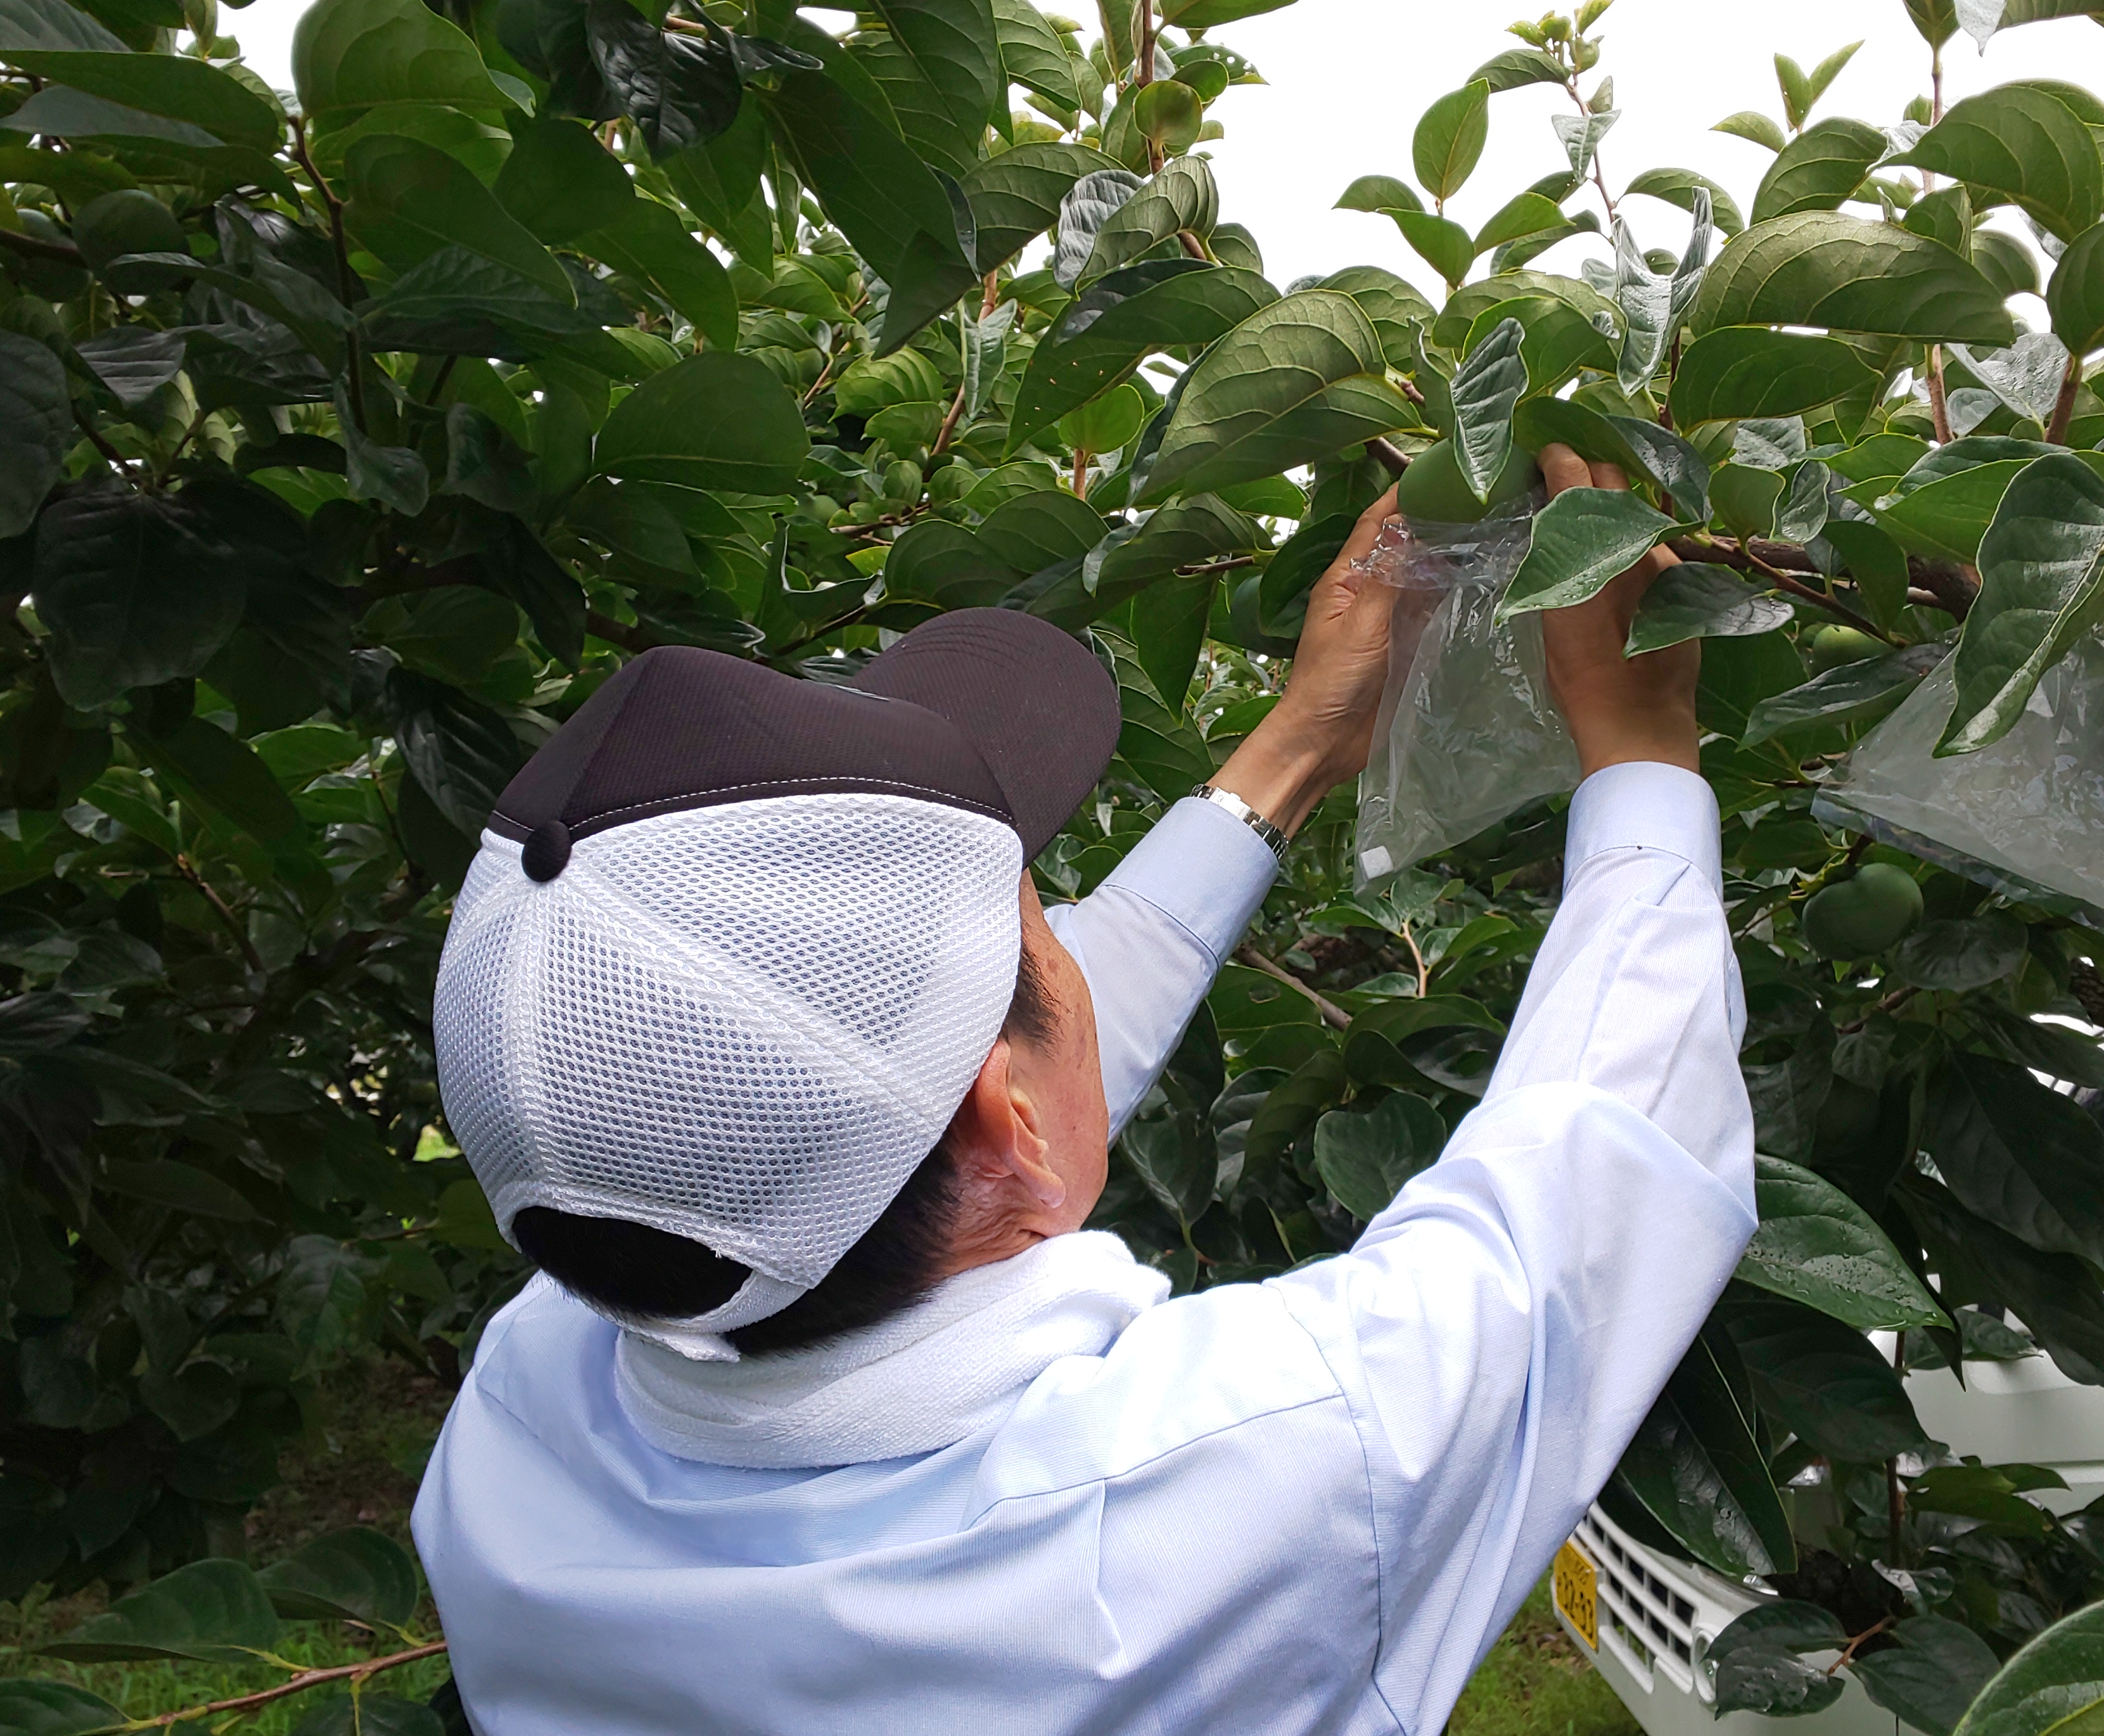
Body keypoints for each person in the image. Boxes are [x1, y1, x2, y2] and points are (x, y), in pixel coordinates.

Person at [414, 445, 1756, 1733]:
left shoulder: (525, 1414)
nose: (1067, 934)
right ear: (1006, 1119)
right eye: (1038, 921)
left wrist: (1297, 746)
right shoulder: (1220, 1488)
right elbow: (1596, 1177)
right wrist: (1642, 740)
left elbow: (883, 1123)